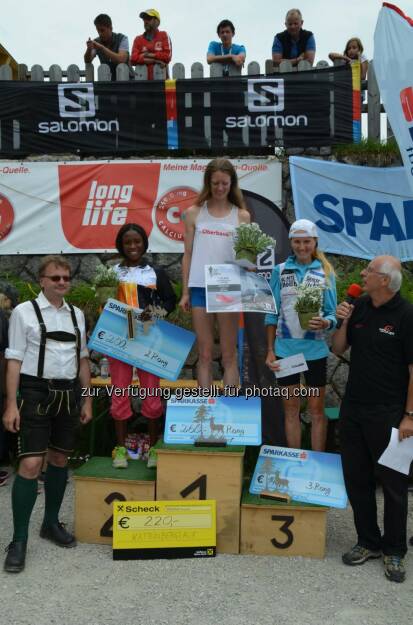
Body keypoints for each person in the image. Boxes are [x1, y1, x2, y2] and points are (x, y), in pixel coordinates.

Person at [2, 255, 92, 573]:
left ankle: (50, 523)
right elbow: (13, 359)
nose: (63, 282)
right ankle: (19, 539)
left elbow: (83, 359)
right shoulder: (23, 313)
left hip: (68, 392)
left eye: (66, 277)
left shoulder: (77, 315)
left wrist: (88, 400)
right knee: (29, 464)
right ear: (42, 280)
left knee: (59, 459)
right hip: (34, 391)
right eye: (56, 278)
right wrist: (11, 403)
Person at [332, 255, 413, 584]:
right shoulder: (360, 306)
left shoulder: (407, 315)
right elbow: (338, 349)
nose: (361, 274)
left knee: (394, 485)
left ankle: (394, 549)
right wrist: (343, 322)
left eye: (369, 271)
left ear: (386, 281)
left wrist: (410, 415)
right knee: (356, 478)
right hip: (353, 409)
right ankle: (368, 541)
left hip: (391, 412)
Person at [265, 219, 336, 451]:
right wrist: (270, 351)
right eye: (298, 242)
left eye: (307, 242)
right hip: (286, 352)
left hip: (315, 353)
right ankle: (294, 460)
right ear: (291, 243)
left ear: (315, 242)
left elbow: (332, 314)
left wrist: (326, 322)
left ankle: (317, 461)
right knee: (291, 410)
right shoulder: (280, 270)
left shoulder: (325, 271)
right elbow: (271, 314)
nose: (302, 246)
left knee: (316, 411)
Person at [109, 224, 176, 469]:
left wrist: (148, 318)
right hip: (119, 341)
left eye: (137, 241)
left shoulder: (155, 271)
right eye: (128, 242)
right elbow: (104, 304)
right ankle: (120, 450)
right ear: (121, 245)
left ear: (144, 244)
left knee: (152, 396)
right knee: (119, 394)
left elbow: (170, 300)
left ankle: (154, 448)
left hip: (149, 339)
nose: (133, 246)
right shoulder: (112, 273)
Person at [180, 158, 250, 388]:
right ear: (208, 183)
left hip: (227, 287)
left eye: (225, 183)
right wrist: (185, 293)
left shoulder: (241, 216)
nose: (220, 188)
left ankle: (230, 412)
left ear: (232, 184)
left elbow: (246, 257)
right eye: (215, 183)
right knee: (205, 354)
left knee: (229, 355)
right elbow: (188, 254)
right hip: (200, 286)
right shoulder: (193, 213)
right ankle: (205, 409)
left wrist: (250, 264)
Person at [84, 14, 130, 81]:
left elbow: (122, 59)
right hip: (108, 83)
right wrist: (89, 49)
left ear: (111, 28)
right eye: (98, 31)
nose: (100, 33)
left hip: (126, 82)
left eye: (102, 30)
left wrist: (102, 48)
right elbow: (87, 60)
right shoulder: (96, 42)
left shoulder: (122, 38)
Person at [130, 9, 172, 80]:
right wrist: (155, 61)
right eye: (144, 19)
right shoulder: (138, 39)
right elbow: (133, 59)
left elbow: (167, 56)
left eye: (149, 19)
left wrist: (146, 55)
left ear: (157, 21)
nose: (145, 21)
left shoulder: (164, 35)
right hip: (142, 84)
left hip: (161, 82)